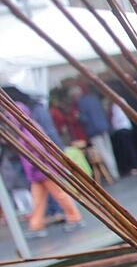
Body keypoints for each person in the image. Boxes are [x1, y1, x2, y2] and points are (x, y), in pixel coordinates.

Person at [8, 100, 84, 237]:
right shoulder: (25, 129)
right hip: (38, 173)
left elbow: (39, 150)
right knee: (38, 200)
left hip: (44, 170)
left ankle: (75, 218)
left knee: (60, 195)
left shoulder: (28, 130)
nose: (11, 119)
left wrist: (33, 167)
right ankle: (36, 226)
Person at [77, 82, 119, 180]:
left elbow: (85, 119)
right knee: (109, 150)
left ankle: (113, 173)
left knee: (103, 152)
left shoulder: (82, 103)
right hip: (103, 127)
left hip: (94, 130)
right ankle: (115, 172)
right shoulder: (94, 98)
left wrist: (78, 117)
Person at [107, 91, 137, 175]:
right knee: (127, 148)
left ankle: (134, 166)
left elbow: (118, 117)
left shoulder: (118, 102)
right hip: (123, 127)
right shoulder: (116, 103)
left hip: (122, 127)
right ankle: (132, 166)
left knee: (128, 148)